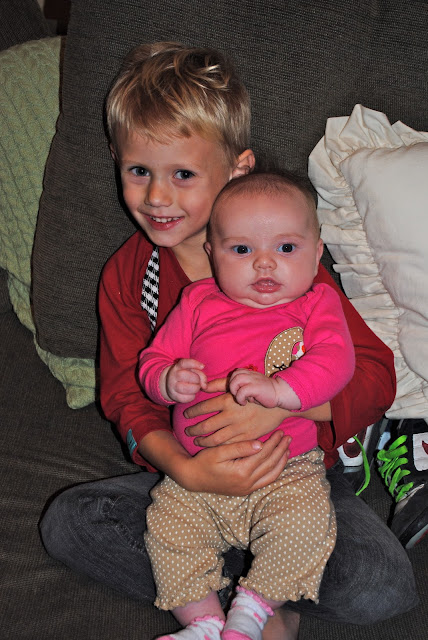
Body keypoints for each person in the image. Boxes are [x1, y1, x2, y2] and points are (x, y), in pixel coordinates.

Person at [39, 41, 418, 640]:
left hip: (295, 474)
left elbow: (374, 376)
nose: (157, 197)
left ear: (237, 168)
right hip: (190, 480)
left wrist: (281, 406)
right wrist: (188, 472)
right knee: (69, 522)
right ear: (116, 159)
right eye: (139, 171)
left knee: (381, 584)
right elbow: (126, 398)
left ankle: (259, 589)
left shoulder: (285, 262)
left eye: (183, 175)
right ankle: (240, 603)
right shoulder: (131, 276)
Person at [138, 171, 356, 640]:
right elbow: (152, 360)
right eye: (241, 249)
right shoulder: (196, 302)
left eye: (286, 248)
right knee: (166, 527)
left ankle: (254, 609)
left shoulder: (317, 303)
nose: (264, 264)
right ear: (211, 253)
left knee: (307, 525)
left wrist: (281, 393)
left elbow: (337, 362)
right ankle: (203, 623)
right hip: (197, 474)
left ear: (317, 253)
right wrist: (167, 379)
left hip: (287, 470)